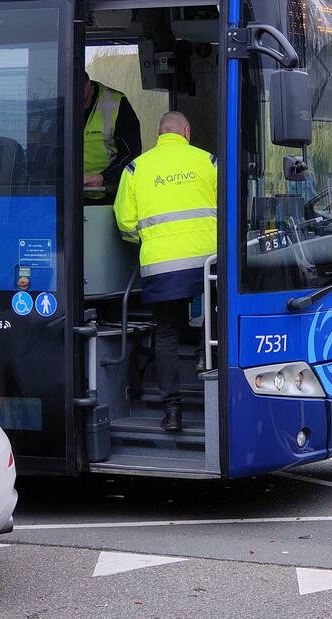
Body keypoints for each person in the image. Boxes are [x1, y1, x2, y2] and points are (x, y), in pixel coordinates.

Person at [113, 111, 217, 432]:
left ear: (159, 134)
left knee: (167, 335)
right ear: (186, 131)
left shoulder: (135, 168)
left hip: (161, 265)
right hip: (208, 261)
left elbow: (125, 223)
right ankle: (203, 353)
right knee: (215, 311)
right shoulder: (208, 161)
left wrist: (148, 238)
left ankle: (172, 412)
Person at [82, 73, 142, 203]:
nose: (73, 98)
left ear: (89, 84)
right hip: (66, 194)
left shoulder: (116, 103)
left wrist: (104, 178)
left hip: (108, 193)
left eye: (78, 91)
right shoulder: (60, 101)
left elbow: (132, 155)